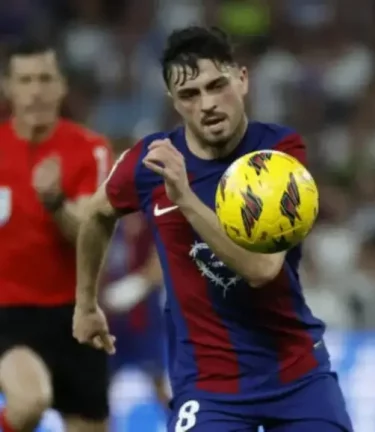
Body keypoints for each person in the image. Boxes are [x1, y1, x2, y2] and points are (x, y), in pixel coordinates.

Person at [72, 26, 353, 432]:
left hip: (296, 374)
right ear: (174, 101)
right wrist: (85, 304)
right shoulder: (151, 161)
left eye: (216, 86)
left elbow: (261, 269)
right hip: (208, 389)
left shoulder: (278, 153)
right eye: (189, 94)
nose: (207, 104)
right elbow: (96, 215)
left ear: (242, 79)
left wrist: (184, 197)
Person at [0, 40, 112, 432]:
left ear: (62, 86)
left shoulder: (90, 149)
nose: (36, 91)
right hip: (8, 313)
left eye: (46, 79)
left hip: (75, 314)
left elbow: (89, 233)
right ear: (8, 87)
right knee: (29, 402)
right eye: (25, 80)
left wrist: (55, 202)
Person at [101, 211, 169, 407]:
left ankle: (177, 421)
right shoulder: (108, 226)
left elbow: (159, 268)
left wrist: (130, 290)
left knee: (161, 387)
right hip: (111, 326)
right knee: (101, 391)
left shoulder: (155, 222)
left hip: (146, 325)